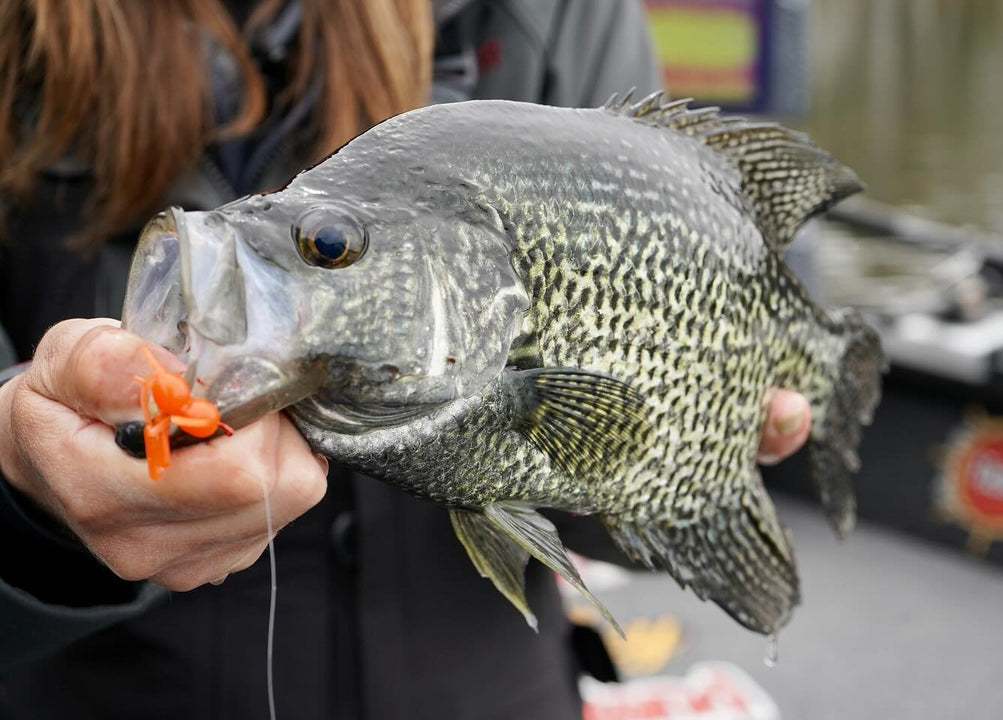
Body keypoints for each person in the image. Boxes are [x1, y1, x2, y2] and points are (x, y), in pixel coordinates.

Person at [0, 1, 812, 717]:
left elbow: (619, 449)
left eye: (327, 246)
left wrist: (683, 453)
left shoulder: (550, 10)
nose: (226, 244)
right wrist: (20, 479)